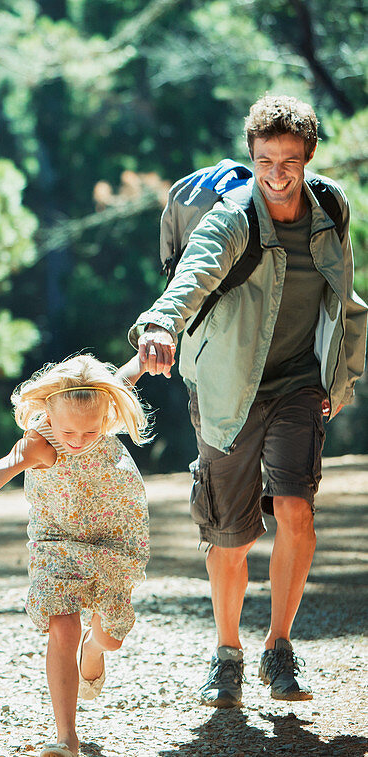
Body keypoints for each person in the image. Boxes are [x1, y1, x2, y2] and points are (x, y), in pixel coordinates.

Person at [132, 94, 368, 707]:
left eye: (289, 160)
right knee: (231, 535)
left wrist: (341, 377)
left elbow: (346, 301)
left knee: (295, 509)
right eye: (265, 160)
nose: (276, 174)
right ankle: (227, 652)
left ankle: (279, 647)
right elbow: (195, 272)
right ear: (252, 156)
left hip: (296, 382)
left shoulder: (331, 209)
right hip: (227, 389)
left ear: (309, 158)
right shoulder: (232, 218)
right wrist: (160, 324)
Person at [0, 354, 151, 757]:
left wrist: (151, 349)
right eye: (70, 430)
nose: (79, 440)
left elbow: (127, 374)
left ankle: (94, 649)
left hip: (113, 540)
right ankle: (67, 737)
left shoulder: (98, 400)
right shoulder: (43, 442)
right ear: (48, 411)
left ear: (106, 414)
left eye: (90, 430)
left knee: (111, 638)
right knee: (61, 626)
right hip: (57, 541)